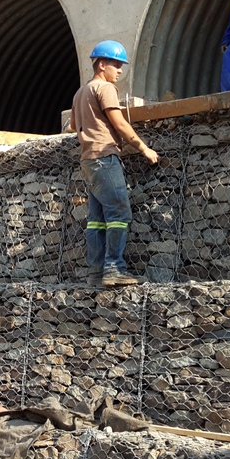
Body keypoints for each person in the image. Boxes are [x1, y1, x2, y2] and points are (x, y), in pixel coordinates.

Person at [70, 41, 160, 288]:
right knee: (120, 213)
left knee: (97, 220)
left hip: (88, 160)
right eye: (116, 65)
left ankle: (95, 274)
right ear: (102, 65)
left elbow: (72, 126)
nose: (120, 71)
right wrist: (144, 148)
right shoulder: (105, 88)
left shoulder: (80, 93)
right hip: (105, 158)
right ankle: (114, 269)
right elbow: (119, 123)